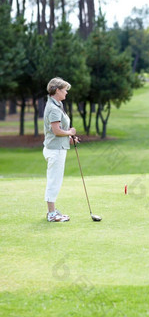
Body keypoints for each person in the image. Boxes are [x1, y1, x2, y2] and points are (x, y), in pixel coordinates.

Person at [43, 77, 78, 222]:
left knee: (55, 180)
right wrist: (70, 133)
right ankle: (51, 214)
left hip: (57, 147)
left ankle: (53, 211)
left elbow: (58, 131)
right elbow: (56, 131)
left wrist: (69, 137)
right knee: (54, 181)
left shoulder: (56, 105)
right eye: (64, 90)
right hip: (55, 150)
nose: (66, 93)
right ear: (57, 90)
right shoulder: (53, 108)